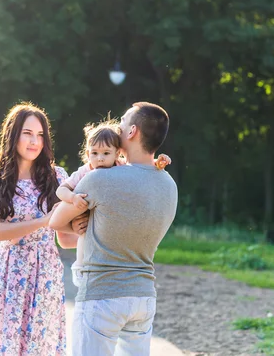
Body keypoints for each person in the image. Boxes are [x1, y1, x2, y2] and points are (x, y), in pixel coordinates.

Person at [50, 102, 178, 356]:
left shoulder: (100, 179)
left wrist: (76, 225)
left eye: (121, 124)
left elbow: (55, 221)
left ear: (132, 132)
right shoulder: (169, 185)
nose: (116, 129)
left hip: (102, 294)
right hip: (143, 297)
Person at [0, 102, 79, 355]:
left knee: (40, 344)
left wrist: (90, 229)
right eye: (27, 133)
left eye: (40, 135)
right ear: (13, 135)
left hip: (45, 271)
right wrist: (44, 221)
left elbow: (65, 239)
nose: (35, 141)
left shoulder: (57, 177)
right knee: (5, 344)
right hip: (8, 270)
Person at [55, 120, 171, 288]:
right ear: (88, 154)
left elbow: (143, 167)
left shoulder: (121, 166)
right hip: (86, 219)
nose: (99, 158)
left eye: (105, 153)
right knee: (83, 241)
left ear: (117, 154)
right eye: (94, 153)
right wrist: (73, 198)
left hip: (109, 221)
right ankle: (80, 268)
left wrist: (158, 164)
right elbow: (61, 190)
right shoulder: (85, 171)